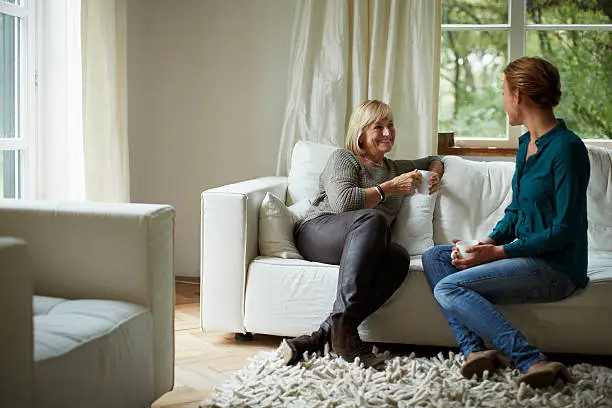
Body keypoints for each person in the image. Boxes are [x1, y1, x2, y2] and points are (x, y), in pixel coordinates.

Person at [422, 57, 590, 388]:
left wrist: (499, 253)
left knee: (449, 286)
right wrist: (488, 242)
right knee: (435, 257)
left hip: (556, 267)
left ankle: (531, 359)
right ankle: (475, 352)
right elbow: (516, 210)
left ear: (518, 95)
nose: (502, 101)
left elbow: (565, 230)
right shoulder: (526, 143)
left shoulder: (567, 149)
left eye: (503, 92)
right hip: (523, 257)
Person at [281, 99, 444, 369]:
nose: (387, 132)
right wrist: (388, 188)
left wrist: (434, 174)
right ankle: (345, 337)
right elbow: (344, 202)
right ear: (360, 133)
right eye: (378, 127)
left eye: (390, 125)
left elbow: (434, 159)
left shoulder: (394, 167)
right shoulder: (344, 159)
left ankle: (322, 337)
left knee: (398, 257)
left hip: (362, 243)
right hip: (319, 232)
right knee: (374, 218)